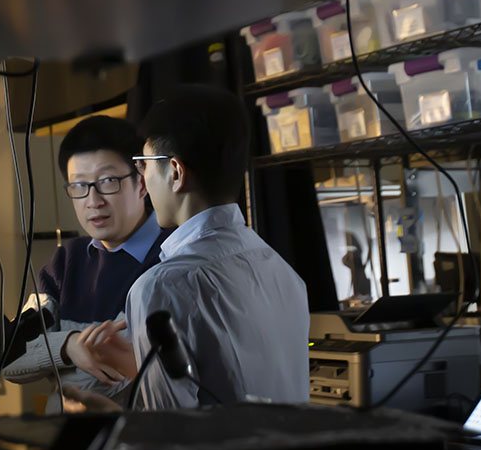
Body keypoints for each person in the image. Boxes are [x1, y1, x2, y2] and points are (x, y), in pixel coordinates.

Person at [67, 85, 310, 411]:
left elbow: (167, 434)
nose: (143, 178)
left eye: (144, 164)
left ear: (176, 172)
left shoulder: (161, 287)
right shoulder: (281, 269)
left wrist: (105, 416)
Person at [3, 115, 172, 410]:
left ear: (142, 182)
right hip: (64, 436)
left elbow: (136, 371)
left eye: (107, 182)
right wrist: (69, 346)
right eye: (79, 186)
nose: (93, 201)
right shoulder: (66, 262)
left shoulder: (170, 256)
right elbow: (12, 357)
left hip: (135, 436)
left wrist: (57, 357)